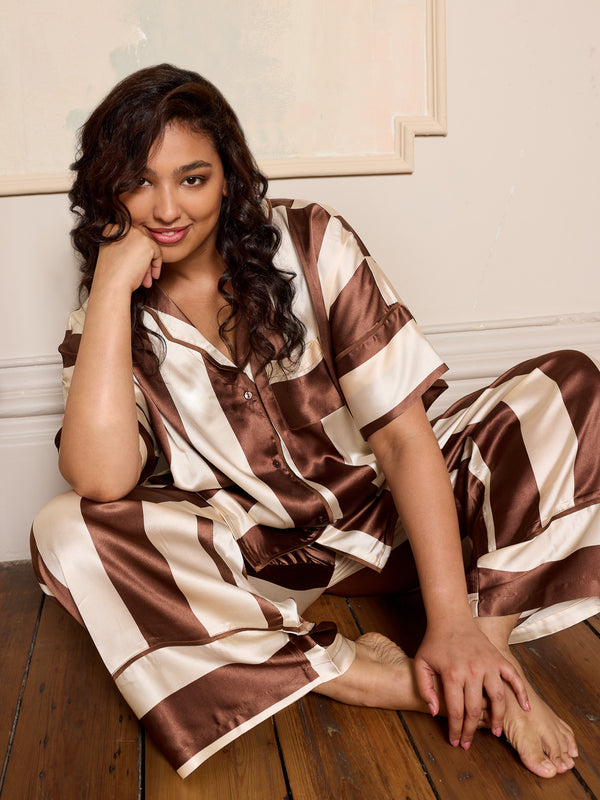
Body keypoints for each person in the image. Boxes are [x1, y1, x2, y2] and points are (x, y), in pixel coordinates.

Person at [31, 63, 600, 781]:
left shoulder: (310, 240)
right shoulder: (107, 322)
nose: (166, 208)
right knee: (65, 528)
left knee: (569, 384)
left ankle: (482, 653)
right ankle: (382, 680)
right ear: (108, 192)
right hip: (268, 567)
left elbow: (400, 435)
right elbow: (100, 477)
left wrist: (453, 625)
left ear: (229, 178)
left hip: (404, 522)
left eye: (193, 178)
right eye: (140, 181)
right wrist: (113, 284)